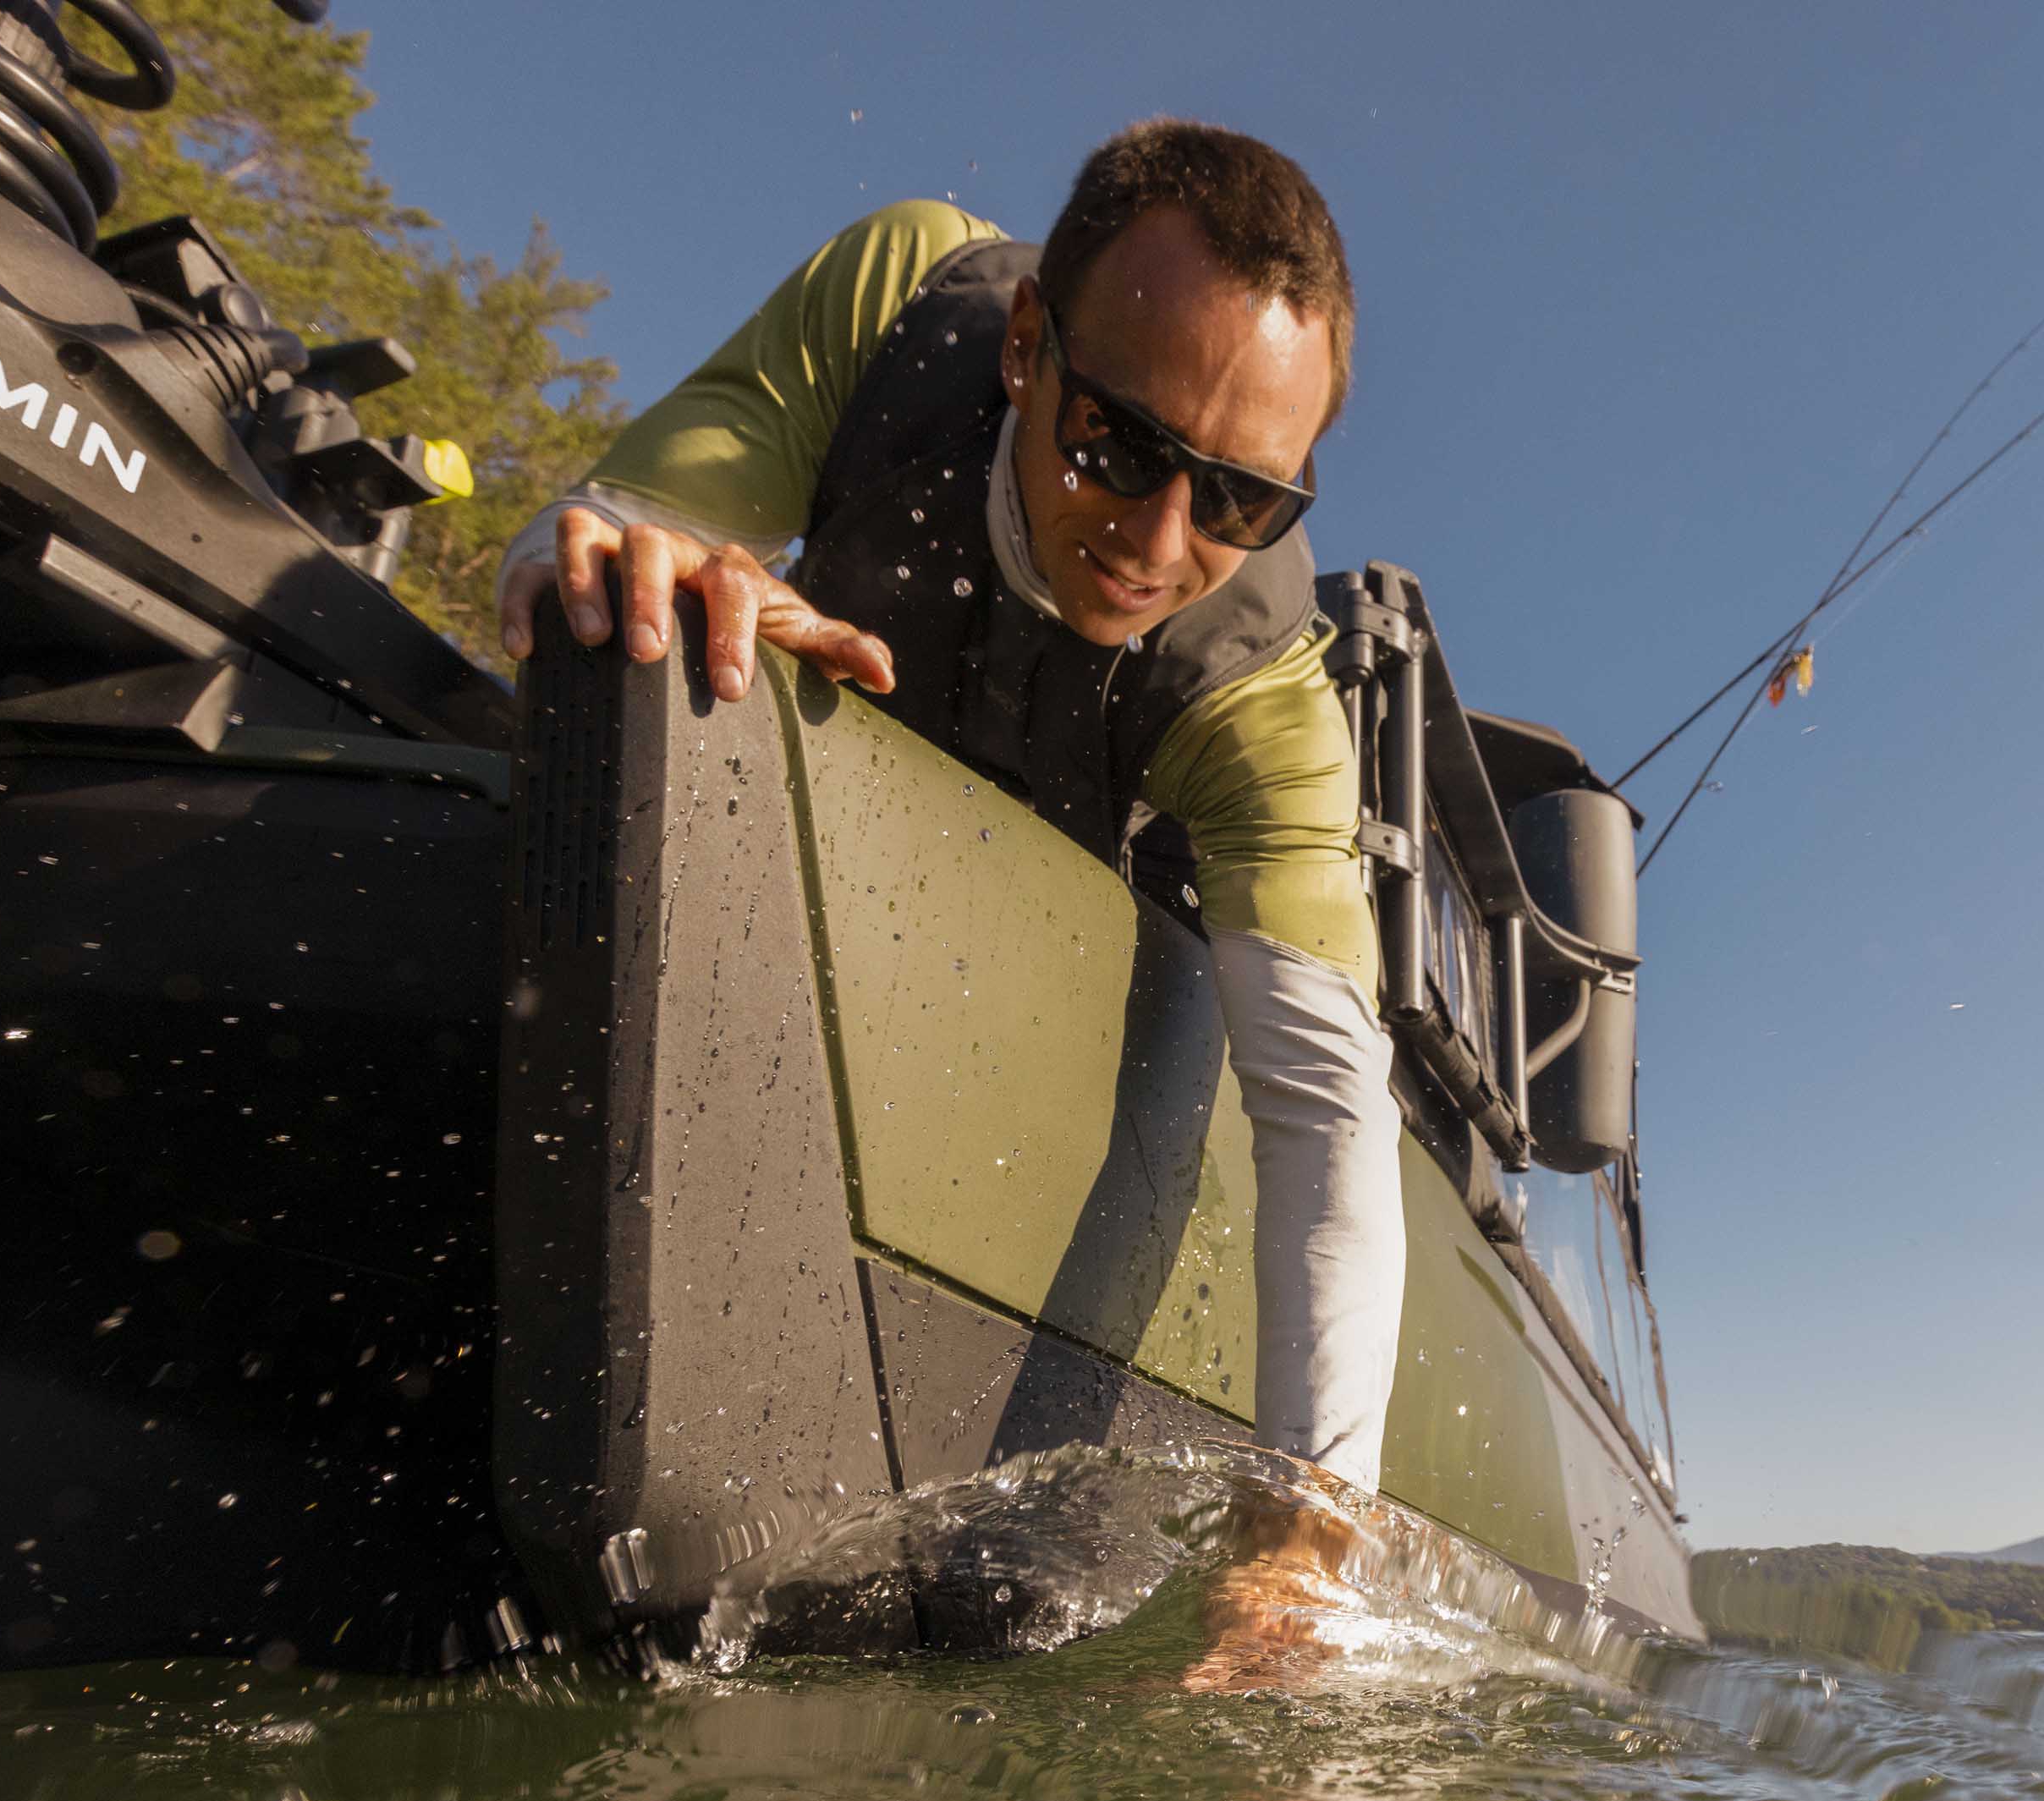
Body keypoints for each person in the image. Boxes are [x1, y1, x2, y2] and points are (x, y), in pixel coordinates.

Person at [496, 123, 1406, 1509]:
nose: (1161, 544)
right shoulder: (906, 298)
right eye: (1118, 440)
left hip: (1102, 867)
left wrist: (1306, 1544)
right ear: (1028, 347)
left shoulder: (1265, 691)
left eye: (1238, 496)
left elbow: (1331, 1116)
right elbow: (597, 527)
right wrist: (649, 589)